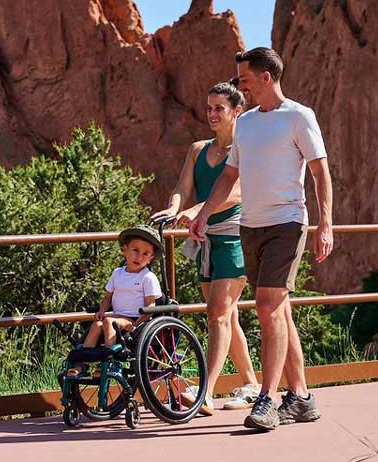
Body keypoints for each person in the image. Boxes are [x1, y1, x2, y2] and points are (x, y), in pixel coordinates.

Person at [190, 47, 334, 432]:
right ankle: (301, 397)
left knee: (268, 307)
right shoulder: (248, 124)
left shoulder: (299, 117)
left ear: (266, 77)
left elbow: (321, 174)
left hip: (287, 223)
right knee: (280, 311)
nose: (241, 86)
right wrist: (203, 214)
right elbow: (227, 177)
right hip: (249, 227)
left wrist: (325, 225)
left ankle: (267, 399)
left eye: (245, 80)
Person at [152, 81, 261, 414]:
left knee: (217, 315)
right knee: (226, 317)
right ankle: (251, 384)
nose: (212, 113)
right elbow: (182, 187)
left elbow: (235, 192)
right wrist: (174, 209)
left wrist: (197, 211)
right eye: (209, 107)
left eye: (220, 108)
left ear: (236, 111)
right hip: (204, 239)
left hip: (234, 238)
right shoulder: (198, 149)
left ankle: (206, 392)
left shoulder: (246, 149)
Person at [64, 225, 163, 377]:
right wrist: (102, 310)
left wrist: (136, 325)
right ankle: (82, 363)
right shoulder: (117, 273)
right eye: (135, 250)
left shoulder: (147, 277)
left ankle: (110, 362)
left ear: (150, 258)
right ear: (125, 249)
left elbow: (150, 306)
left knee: (109, 322)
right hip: (116, 316)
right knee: (97, 324)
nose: (139, 256)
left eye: (145, 253)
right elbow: (108, 297)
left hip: (135, 320)